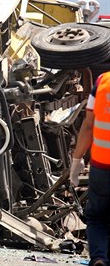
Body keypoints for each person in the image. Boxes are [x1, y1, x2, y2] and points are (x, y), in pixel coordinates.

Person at [70, 71, 110, 266]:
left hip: (101, 165)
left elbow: (88, 126)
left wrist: (76, 160)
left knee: (96, 217)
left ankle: (99, 257)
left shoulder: (103, 81)